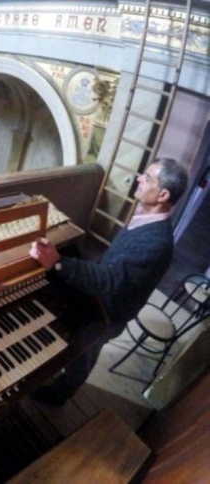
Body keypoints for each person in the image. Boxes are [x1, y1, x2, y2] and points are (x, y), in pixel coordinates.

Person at [29, 158, 188, 406]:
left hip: (107, 312)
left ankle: (60, 395)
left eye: (147, 177)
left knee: (84, 353)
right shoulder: (145, 216)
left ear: (163, 194)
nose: (139, 178)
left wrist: (59, 261)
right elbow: (113, 267)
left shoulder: (157, 243)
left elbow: (111, 279)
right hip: (100, 297)